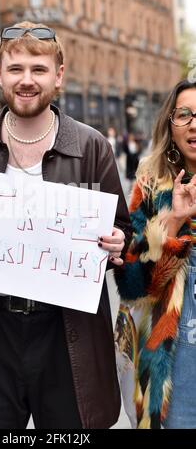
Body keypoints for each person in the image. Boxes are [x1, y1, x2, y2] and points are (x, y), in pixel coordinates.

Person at [0, 21, 132, 429]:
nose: (27, 80)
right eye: (15, 69)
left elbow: (123, 234)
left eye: (38, 69)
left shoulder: (91, 147)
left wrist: (120, 243)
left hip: (68, 335)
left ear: (59, 76)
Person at [114, 79, 196, 429]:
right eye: (184, 114)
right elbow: (131, 285)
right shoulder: (151, 181)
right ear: (171, 125)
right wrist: (172, 225)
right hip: (176, 357)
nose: (194, 123)